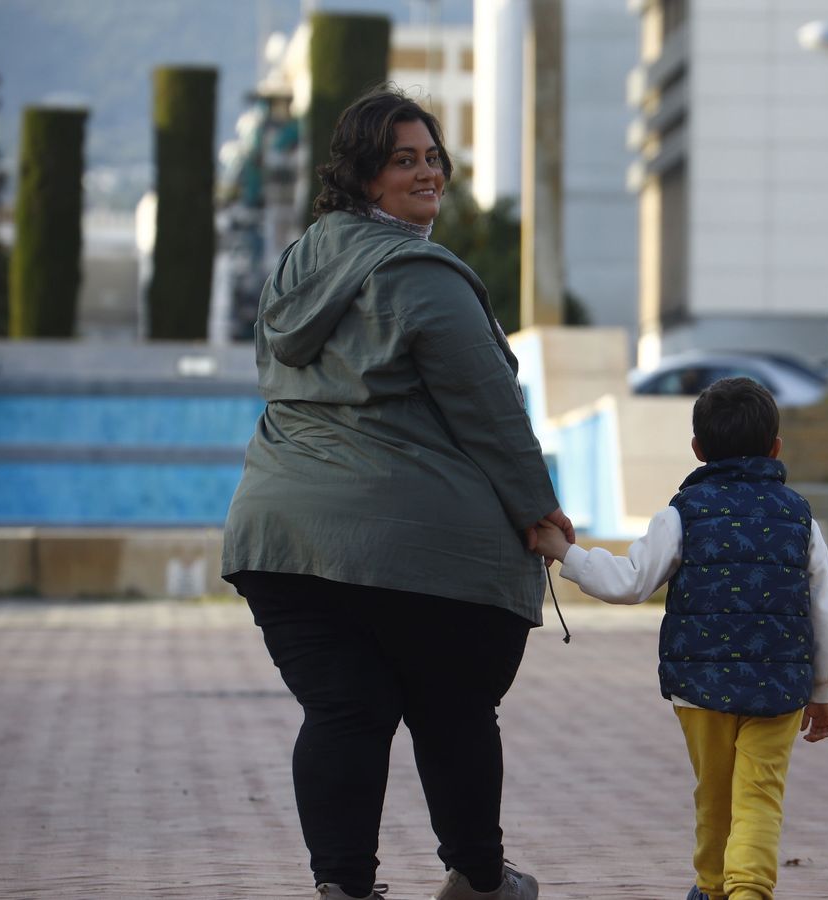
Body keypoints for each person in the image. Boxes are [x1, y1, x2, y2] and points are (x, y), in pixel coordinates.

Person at [222, 87, 569, 900]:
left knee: (343, 711)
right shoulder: (421, 274)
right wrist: (539, 512)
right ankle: (479, 880)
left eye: (433, 158)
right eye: (403, 161)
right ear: (366, 177)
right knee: (453, 708)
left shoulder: (301, 263)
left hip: (280, 539)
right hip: (416, 547)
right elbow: (489, 411)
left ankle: (343, 888)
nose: (428, 175)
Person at [531, 377, 828, 900]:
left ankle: (713, 885)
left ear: (697, 450)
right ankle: (748, 890)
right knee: (760, 796)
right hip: (780, 690)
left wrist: (565, 551)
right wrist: (826, 691)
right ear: (776, 449)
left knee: (714, 795)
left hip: (702, 688)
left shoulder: (681, 513)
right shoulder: (801, 518)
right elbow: (823, 609)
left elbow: (629, 582)